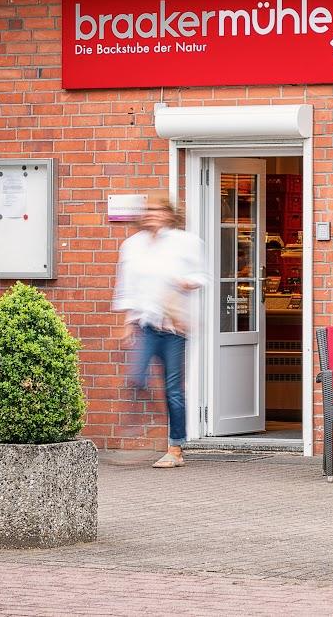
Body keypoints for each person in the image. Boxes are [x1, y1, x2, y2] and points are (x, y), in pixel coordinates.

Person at [113, 193, 207, 468]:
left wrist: (186, 282)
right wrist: (127, 323)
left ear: (169, 214)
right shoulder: (132, 246)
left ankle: (175, 448)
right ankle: (146, 415)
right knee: (136, 377)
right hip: (146, 324)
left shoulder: (185, 242)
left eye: (158, 209)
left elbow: (204, 276)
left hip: (174, 326)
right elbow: (127, 286)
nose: (153, 214)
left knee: (174, 389)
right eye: (149, 209)